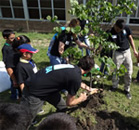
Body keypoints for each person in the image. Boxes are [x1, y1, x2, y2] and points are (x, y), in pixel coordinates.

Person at [20, 56, 99, 120]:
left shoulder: (72, 68)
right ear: (89, 69)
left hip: (46, 86)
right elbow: (70, 103)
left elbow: (73, 80)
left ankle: (56, 123)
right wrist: (81, 99)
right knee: (25, 119)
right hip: (35, 91)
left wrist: (89, 88)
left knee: (62, 107)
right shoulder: (76, 77)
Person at [109, 19, 138, 99]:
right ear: (115, 25)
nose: (119, 31)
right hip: (118, 53)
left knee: (129, 72)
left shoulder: (126, 28)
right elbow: (105, 43)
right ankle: (114, 86)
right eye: (118, 29)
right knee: (116, 70)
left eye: (121, 30)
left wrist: (134, 50)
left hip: (127, 52)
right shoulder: (111, 32)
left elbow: (130, 38)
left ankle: (127, 90)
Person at [1, 29, 18, 100]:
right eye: (11, 38)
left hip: (17, 66)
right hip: (12, 68)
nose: (13, 39)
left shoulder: (13, 44)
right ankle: (14, 96)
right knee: (14, 82)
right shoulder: (6, 49)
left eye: (14, 37)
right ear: (5, 38)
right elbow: (6, 62)